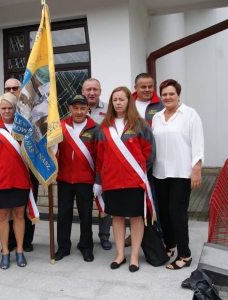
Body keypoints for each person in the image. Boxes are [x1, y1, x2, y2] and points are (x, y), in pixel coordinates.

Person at [94, 86, 155, 272]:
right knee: (117, 218)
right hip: (111, 182)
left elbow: (150, 154)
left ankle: (134, 255)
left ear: (129, 101)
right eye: (115, 100)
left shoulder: (140, 124)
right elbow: (99, 157)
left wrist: (139, 171)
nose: (118, 103)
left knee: (136, 218)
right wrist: (98, 180)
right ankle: (120, 254)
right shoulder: (103, 128)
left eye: (122, 99)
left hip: (134, 181)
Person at [152, 79, 204, 270]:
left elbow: (198, 144)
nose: (167, 97)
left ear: (178, 95)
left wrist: (196, 170)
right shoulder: (157, 117)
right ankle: (170, 244)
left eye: (171, 94)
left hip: (181, 173)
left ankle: (185, 254)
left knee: (177, 212)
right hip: (160, 173)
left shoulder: (190, 114)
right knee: (164, 212)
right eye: (164, 94)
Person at [0, 93, 31, 269]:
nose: (7, 111)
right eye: (4, 108)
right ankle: (4, 251)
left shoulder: (24, 130)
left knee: (19, 215)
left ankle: (19, 250)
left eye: (10, 108)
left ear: (15, 109)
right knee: (2, 216)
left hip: (21, 180)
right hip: (0, 181)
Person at [54, 95, 97, 263]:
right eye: (75, 108)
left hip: (85, 180)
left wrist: (98, 180)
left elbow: (100, 156)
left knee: (86, 215)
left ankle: (86, 247)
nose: (79, 111)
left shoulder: (95, 129)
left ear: (88, 109)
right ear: (70, 109)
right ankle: (63, 247)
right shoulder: (60, 127)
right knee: (64, 215)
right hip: (64, 179)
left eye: (82, 108)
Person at [123, 73, 165, 247]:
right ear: (136, 88)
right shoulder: (126, 104)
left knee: (154, 200)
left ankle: (159, 235)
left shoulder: (162, 105)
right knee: (133, 200)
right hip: (129, 165)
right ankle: (133, 235)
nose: (147, 90)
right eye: (143, 87)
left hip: (152, 163)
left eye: (150, 86)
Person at [3, 78, 39, 253]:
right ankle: (10, 240)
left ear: (21, 89)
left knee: (30, 203)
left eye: (15, 88)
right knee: (10, 205)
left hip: (30, 165)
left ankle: (27, 240)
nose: (11, 91)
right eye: (7, 88)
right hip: (9, 169)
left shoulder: (33, 111)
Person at [82, 78, 112, 251]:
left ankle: (105, 235)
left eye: (95, 89)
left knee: (104, 202)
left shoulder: (109, 110)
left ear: (100, 91)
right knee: (85, 203)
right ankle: (85, 237)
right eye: (88, 89)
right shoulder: (75, 108)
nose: (91, 93)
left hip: (104, 164)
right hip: (83, 165)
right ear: (82, 91)